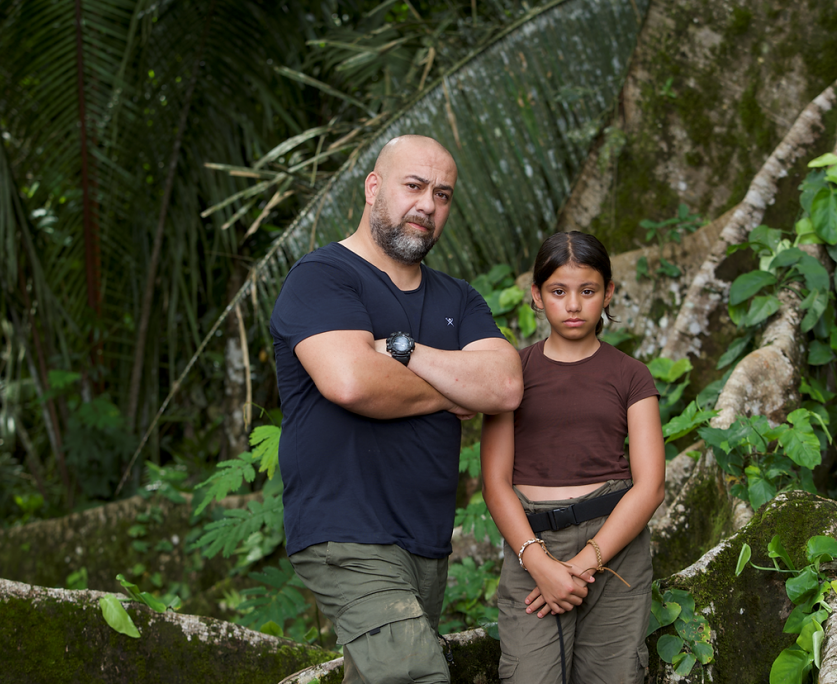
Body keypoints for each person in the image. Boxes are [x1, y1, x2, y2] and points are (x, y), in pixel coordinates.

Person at [270, 134, 523, 683]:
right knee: (414, 675)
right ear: (373, 187)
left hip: (426, 542)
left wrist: (405, 354)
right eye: (414, 186)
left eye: (443, 194)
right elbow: (352, 380)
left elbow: (504, 385)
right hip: (347, 531)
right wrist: (457, 388)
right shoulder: (322, 276)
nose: (428, 205)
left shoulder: (460, 298)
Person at [481, 231, 665, 684]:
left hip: (614, 545)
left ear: (608, 294)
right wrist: (540, 564)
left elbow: (651, 485)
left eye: (588, 291)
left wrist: (584, 563)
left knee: (614, 675)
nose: (574, 305)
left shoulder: (631, 376)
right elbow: (495, 483)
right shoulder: (511, 374)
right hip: (532, 545)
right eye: (558, 292)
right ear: (537, 297)